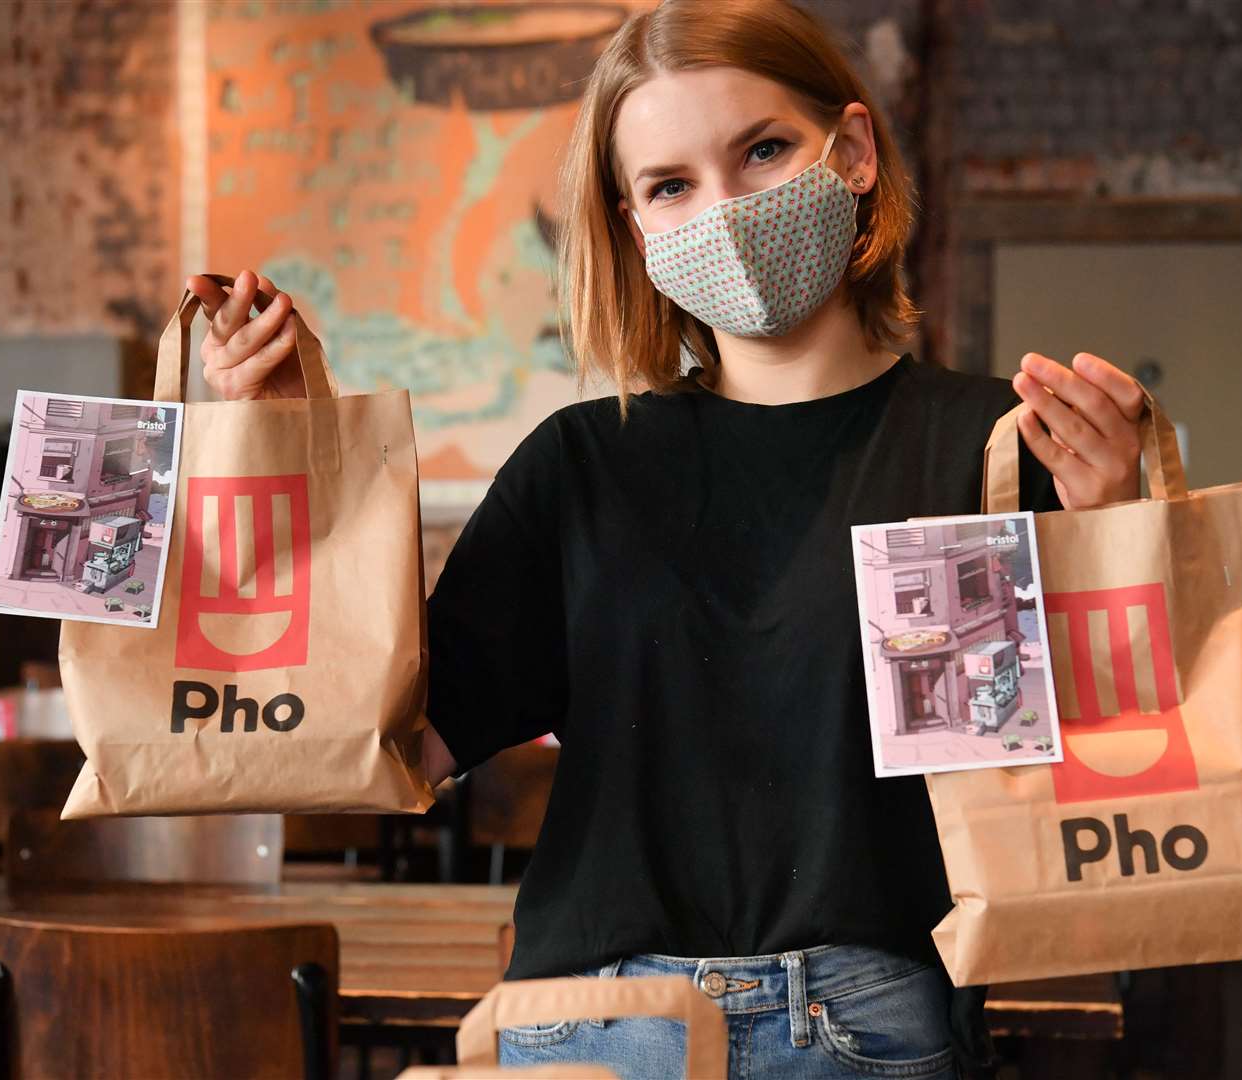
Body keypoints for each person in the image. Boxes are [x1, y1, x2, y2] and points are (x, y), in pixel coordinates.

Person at [185, 3, 1146, 1075]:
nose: (724, 209)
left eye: (764, 150)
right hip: (591, 1023)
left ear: (857, 151)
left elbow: (1114, 773)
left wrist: (1114, 532)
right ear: (639, 228)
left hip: (861, 1028)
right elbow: (391, 744)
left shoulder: (996, 452)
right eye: (672, 185)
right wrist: (275, 457)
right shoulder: (583, 466)